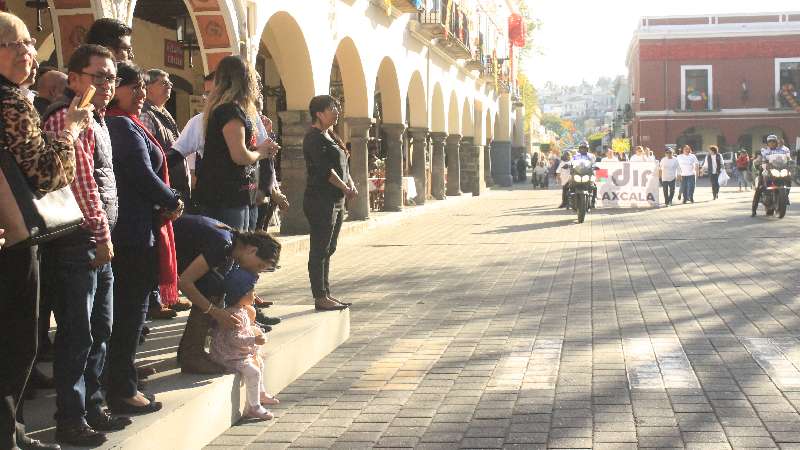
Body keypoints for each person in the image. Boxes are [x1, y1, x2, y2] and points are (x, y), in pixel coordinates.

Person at [0, 11, 93, 450]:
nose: (27, 53)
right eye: (14, 45)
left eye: (29, 43)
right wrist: (69, 133)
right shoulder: (12, 102)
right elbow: (47, 173)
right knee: (16, 342)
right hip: (14, 237)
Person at [39, 44, 132, 446]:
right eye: (98, 76)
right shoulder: (67, 117)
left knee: (99, 328)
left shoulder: (95, 116)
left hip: (94, 241)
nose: (107, 84)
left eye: (111, 77)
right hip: (79, 241)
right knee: (78, 334)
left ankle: (93, 407)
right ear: (74, 78)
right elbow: (81, 185)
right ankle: (72, 418)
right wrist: (102, 235)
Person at [105, 62, 183, 414]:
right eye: (132, 87)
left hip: (139, 226)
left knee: (131, 312)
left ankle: (123, 377)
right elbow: (141, 172)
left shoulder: (130, 122)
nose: (139, 95)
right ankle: (120, 388)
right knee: (128, 312)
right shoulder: (120, 125)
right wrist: (172, 199)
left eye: (141, 88)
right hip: (130, 232)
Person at [173, 215, 281, 373]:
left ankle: (189, 352)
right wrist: (216, 313)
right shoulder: (223, 244)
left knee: (215, 284)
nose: (255, 271)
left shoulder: (232, 245)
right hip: (150, 247)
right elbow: (185, 282)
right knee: (212, 286)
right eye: (259, 265)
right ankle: (192, 355)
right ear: (252, 250)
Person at [194, 55, 276, 231]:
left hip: (232, 193)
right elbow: (239, 156)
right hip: (227, 196)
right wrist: (261, 152)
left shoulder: (225, 109)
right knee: (233, 250)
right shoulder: (230, 111)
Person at [303, 95, 356, 311]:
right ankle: (320, 296)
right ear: (319, 113)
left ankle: (326, 293)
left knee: (329, 248)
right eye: (331, 108)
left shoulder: (331, 136)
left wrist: (350, 184)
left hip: (336, 200)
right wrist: (345, 188)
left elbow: (344, 165)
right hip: (320, 200)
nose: (336, 111)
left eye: (337, 107)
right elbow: (327, 171)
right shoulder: (314, 138)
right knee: (319, 249)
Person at [209, 268, 279, 420]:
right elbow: (234, 339)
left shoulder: (243, 310)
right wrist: (254, 340)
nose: (254, 295)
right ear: (241, 294)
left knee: (259, 362)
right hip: (229, 356)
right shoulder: (233, 315)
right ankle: (254, 407)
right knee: (253, 372)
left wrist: (256, 330)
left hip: (239, 353)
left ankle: (260, 394)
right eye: (252, 292)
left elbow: (246, 329)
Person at [751, 135, 791, 216]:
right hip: (766, 170)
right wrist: (758, 162)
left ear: (776, 142)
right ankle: (754, 209)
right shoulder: (764, 151)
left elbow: (787, 159)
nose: (772, 143)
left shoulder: (781, 150)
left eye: (773, 141)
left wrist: (790, 162)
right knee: (760, 187)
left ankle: (785, 196)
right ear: (767, 143)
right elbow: (758, 159)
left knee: (788, 178)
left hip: (779, 169)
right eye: (770, 142)